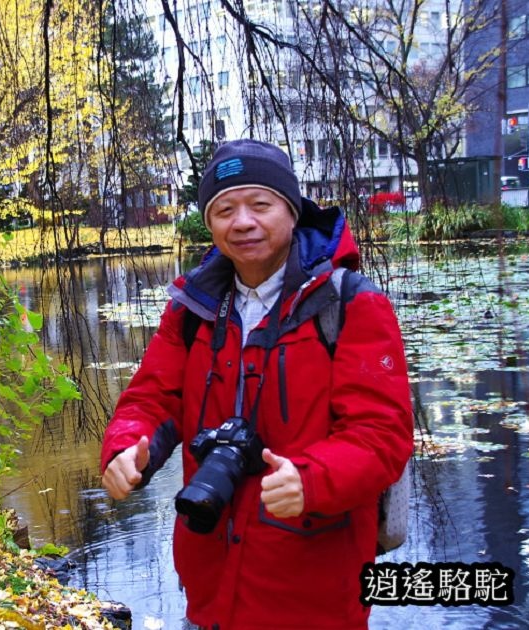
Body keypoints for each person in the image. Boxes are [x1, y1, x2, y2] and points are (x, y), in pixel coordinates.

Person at [100, 139, 413, 629]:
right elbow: (152, 397)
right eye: (224, 209)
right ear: (210, 224)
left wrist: (312, 479)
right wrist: (125, 449)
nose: (242, 222)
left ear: (291, 211)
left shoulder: (351, 305)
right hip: (210, 583)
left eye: (260, 204)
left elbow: (382, 435)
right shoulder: (192, 309)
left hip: (314, 589)